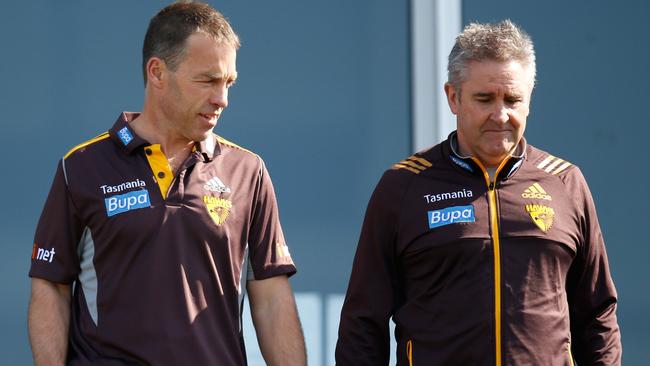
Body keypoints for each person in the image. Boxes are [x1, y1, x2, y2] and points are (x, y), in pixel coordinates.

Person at [28, 3, 307, 365]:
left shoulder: (247, 170)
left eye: (228, 83)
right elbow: (51, 285)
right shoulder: (81, 167)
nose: (221, 99)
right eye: (207, 80)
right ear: (157, 72)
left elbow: (271, 299)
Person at [336, 20, 621, 365]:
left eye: (512, 100)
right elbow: (362, 324)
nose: (500, 115)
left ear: (529, 100)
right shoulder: (402, 186)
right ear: (453, 97)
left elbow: (598, 314)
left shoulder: (566, 183)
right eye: (484, 99)